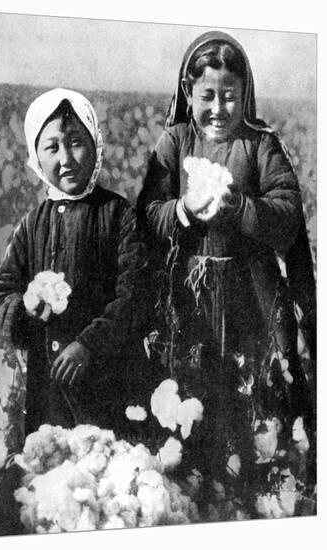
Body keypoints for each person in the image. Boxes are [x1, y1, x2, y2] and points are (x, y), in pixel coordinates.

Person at [137, 31, 316, 482]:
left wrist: (242, 208)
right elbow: (145, 215)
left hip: (250, 297)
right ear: (187, 93)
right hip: (188, 295)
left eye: (230, 96)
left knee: (255, 396)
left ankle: (263, 481)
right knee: (191, 395)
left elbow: (288, 214)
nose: (219, 109)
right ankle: (198, 478)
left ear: (245, 94)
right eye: (208, 96)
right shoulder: (174, 143)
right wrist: (181, 209)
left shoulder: (261, 145)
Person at [0, 88, 149, 438]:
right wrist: (26, 305)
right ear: (36, 156)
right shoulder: (33, 223)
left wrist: (89, 345)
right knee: (51, 476)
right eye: (52, 147)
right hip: (47, 391)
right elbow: (0, 296)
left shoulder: (117, 213)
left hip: (106, 385)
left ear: (95, 144)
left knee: (103, 475)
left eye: (76, 142)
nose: (66, 158)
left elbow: (134, 295)